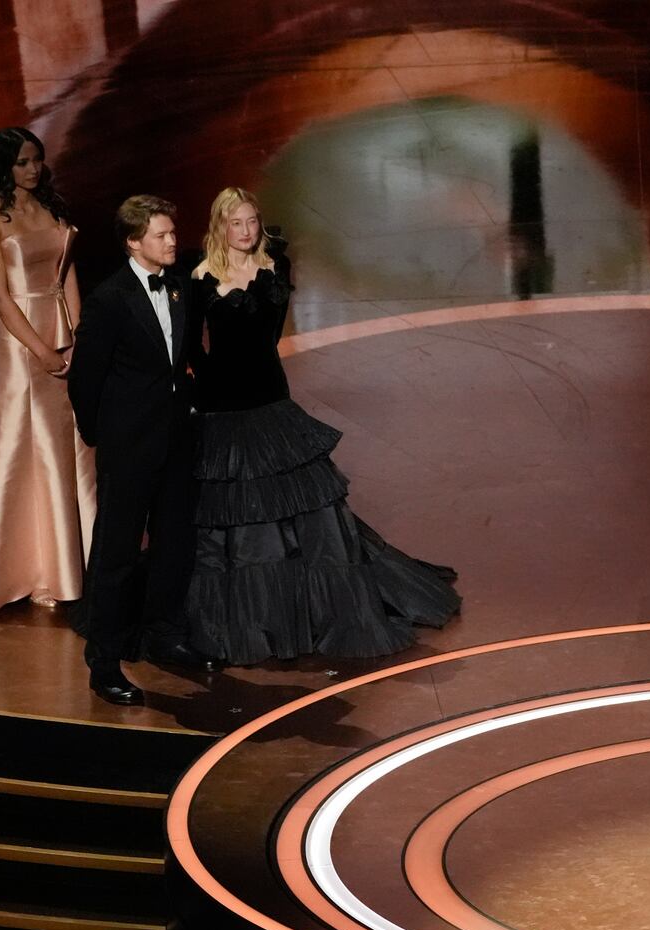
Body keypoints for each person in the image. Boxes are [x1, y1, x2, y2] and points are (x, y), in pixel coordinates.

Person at [184, 188, 459, 665]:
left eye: (252, 221)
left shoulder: (276, 267)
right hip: (222, 407)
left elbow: (270, 335)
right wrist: (203, 396)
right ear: (219, 227)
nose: (247, 231)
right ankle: (255, 615)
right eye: (237, 224)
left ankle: (314, 609)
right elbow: (192, 348)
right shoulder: (200, 277)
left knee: (306, 509)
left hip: (270, 398)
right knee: (235, 517)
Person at [69, 196, 217, 705]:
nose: (173, 241)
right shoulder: (109, 300)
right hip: (129, 448)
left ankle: (164, 635)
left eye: (173, 232)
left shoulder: (178, 286)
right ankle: (104, 662)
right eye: (161, 235)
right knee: (117, 554)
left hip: (176, 441)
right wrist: (103, 437)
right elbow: (84, 380)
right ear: (134, 242)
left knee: (175, 544)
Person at [0, 127, 94, 612]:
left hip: (63, 334)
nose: (32, 169)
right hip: (23, 343)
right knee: (23, 448)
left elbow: (67, 273)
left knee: (73, 447)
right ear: (3, 166)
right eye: (21, 162)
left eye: (36, 159)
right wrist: (41, 351)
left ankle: (77, 561)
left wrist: (79, 339)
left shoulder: (52, 207)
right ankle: (27, 568)